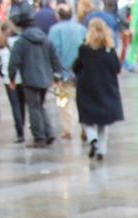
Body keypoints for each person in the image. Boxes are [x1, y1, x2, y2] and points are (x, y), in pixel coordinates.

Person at [8, 1, 63, 147]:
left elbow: (14, 62)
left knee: (34, 107)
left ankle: (39, 137)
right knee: (40, 106)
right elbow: (54, 57)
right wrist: (58, 74)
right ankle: (49, 133)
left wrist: (12, 78)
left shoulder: (21, 41)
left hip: (30, 78)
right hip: (45, 78)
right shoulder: (45, 38)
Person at [74, 17, 122, 159]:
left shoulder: (84, 49)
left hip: (87, 88)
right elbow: (117, 68)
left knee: (87, 118)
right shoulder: (110, 50)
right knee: (103, 121)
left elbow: (76, 67)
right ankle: (102, 150)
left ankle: (92, 139)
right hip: (106, 88)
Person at [49, 2, 86, 139]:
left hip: (62, 73)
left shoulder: (54, 30)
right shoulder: (81, 28)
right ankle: (84, 126)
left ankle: (67, 129)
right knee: (81, 100)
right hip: (81, 71)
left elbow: (53, 52)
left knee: (64, 102)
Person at [0, 21, 28, 143]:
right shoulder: (21, 42)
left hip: (9, 80)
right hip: (23, 78)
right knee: (22, 105)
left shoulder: (1, 45)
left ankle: (19, 132)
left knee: (15, 105)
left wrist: (2, 75)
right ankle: (23, 126)